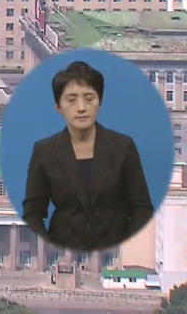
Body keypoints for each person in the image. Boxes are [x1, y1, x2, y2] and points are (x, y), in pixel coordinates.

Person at [22, 61, 154, 251]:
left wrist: (125, 245)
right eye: (71, 99)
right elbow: (33, 213)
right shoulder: (44, 151)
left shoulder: (123, 147)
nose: (81, 107)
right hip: (63, 244)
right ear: (58, 107)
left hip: (114, 245)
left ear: (99, 102)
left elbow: (142, 208)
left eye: (89, 98)